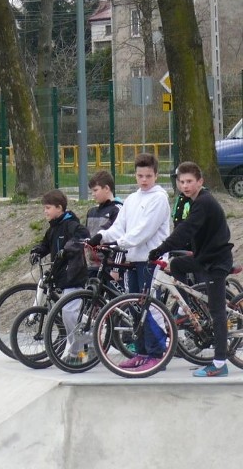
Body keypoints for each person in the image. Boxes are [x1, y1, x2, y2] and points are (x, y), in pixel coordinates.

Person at [148, 162, 233, 377]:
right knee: (176, 265)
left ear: (200, 182)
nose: (185, 186)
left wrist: (161, 248)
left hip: (216, 262)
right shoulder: (193, 201)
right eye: (181, 182)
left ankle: (220, 363)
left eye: (189, 182)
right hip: (204, 257)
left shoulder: (203, 202)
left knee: (217, 311)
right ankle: (192, 306)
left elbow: (186, 230)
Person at [89, 153, 170, 371]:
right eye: (140, 175)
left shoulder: (159, 198)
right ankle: (142, 352)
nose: (144, 180)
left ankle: (157, 355)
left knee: (149, 307)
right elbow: (119, 226)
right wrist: (102, 236)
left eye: (148, 176)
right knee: (134, 307)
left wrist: (120, 243)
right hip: (133, 260)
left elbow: (144, 230)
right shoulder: (132, 199)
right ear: (135, 175)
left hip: (152, 261)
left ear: (156, 175)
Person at [30, 189, 90, 364]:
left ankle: (78, 353)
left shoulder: (71, 224)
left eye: (48, 208)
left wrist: (68, 248)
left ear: (59, 208)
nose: (45, 211)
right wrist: (37, 252)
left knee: (69, 313)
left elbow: (83, 236)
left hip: (73, 274)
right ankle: (91, 337)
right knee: (69, 314)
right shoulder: (53, 228)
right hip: (61, 277)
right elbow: (45, 245)